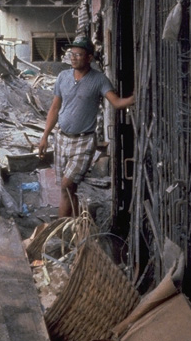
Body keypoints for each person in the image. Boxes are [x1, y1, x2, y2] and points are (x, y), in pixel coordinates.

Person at [38, 36, 135, 218]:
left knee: (67, 185)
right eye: (71, 54)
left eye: (79, 54)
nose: (73, 58)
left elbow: (117, 103)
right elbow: (55, 108)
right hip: (61, 138)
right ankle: (71, 228)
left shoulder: (99, 80)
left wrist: (135, 98)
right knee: (66, 190)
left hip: (83, 142)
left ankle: (61, 229)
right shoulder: (63, 77)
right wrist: (44, 137)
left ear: (89, 57)